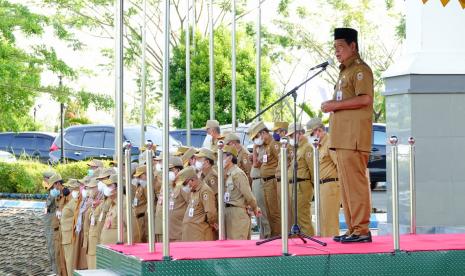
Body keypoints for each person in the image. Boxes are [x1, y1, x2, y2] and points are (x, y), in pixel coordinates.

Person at [321, 27, 373, 243]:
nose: (337, 51)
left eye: (340, 47)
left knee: (356, 185)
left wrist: (335, 105)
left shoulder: (360, 70)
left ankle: (362, 230)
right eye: (335, 47)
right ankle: (353, 229)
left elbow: (365, 99)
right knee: (347, 187)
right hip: (342, 140)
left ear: (353, 46)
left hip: (353, 139)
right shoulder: (344, 71)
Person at [307, 118, 341, 237]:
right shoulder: (318, 145)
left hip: (330, 185)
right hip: (321, 186)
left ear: (319, 131)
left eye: (311, 134)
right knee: (322, 222)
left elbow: (339, 165)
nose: (310, 137)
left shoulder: (330, 142)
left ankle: (333, 251)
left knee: (330, 222)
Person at [248, 121, 281, 237]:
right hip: (266, 181)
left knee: (274, 213)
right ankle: (273, 236)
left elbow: (282, 162)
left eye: (256, 137)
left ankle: (277, 237)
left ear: (263, 133)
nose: (256, 140)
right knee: (270, 212)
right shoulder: (266, 146)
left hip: (272, 180)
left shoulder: (273, 144)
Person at [222, 145, 261, 239]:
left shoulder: (238, 174)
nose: (219, 160)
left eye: (222, 157)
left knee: (238, 245)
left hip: (237, 213)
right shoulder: (227, 174)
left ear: (230, 157)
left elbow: (248, 195)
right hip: (228, 212)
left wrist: (255, 208)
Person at [286, 123, 314, 236]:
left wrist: (313, 186)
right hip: (294, 185)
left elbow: (312, 168)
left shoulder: (307, 147)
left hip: (302, 185)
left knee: (303, 216)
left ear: (300, 133)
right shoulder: (298, 147)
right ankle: (300, 240)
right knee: (295, 217)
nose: (291, 139)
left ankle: (309, 240)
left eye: (292, 135)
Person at [179, 167, 217, 241]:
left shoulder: (205, 191)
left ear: (192, 180)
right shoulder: (193, 192)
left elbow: (211, 213)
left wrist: (211, 223)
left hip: (199, 233)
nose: (184, 187)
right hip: (190, 234)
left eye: (185, 184)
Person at [60, 179, 80, 276]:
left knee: (71, 263)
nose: (69, 190)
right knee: (68, 262)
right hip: (66, 235)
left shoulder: (75, 201)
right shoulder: (70, 200)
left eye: (71, 188)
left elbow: (78, 216)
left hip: (70, 236)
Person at [132, 165, 149, 242]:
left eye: (140, 176)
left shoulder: (146, 186)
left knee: (143, 240)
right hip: (138, 217)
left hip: (143, 217)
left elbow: (149, 201)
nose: (138, 178)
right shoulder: (139, 187)